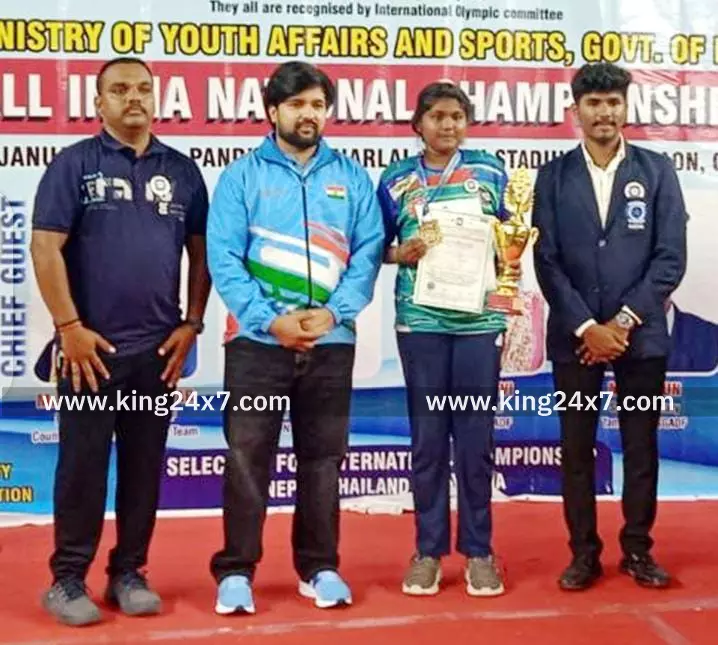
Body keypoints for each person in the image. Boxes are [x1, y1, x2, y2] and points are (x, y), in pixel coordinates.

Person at [30, 56, 211, 626]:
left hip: (157, 355)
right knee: (82, 470)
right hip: (90, 355)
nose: (133, 98)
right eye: (119, 89)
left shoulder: (182, 171)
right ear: (99, 103)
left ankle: (128, 571)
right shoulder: (74, 164)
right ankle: (66, 580)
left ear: (156, 98)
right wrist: (69, 329)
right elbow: (44, 247)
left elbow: (202, 254)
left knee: (143, 468)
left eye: (142, 89)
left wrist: (192, 323)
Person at [206, 61, 384, 614]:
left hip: (331, 344)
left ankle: (319, 567)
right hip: (257, 346)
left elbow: (369, 251)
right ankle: (236, 572)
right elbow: (223, 258)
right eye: (297, 104)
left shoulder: (352, 178)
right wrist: (269, 321)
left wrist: (334, 314)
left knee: (323, 459)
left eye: (317, 105)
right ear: (272, 111)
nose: (309, 114)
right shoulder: (241, 177)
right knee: (246, 457)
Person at [532, 62, 687, 591]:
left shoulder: (656, 170)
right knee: (576, 448)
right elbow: (546, 260)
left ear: (626, 107)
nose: (605, 112)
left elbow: (670, 257)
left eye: (614, 102)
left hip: (639, 339)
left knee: (641, 446)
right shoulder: (553, 176)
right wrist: (586, 327)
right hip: (576, 341)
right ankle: (584, 554)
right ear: (576, 110)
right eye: (594, 103)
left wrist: (620, 324)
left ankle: (638, 549)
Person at [377, 81, 513, 598]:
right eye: (437, 115)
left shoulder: (491, 171)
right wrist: (401, 253)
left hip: (479, 324)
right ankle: (428, 551)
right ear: (418, 124)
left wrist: (507, 259)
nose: (448, 124)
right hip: (422, 324)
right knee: (429, 440)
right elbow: (375, 248)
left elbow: (512, 238)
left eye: (457, 115)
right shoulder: (395, 179)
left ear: (467, 122)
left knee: (476, 441)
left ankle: (479, 551)